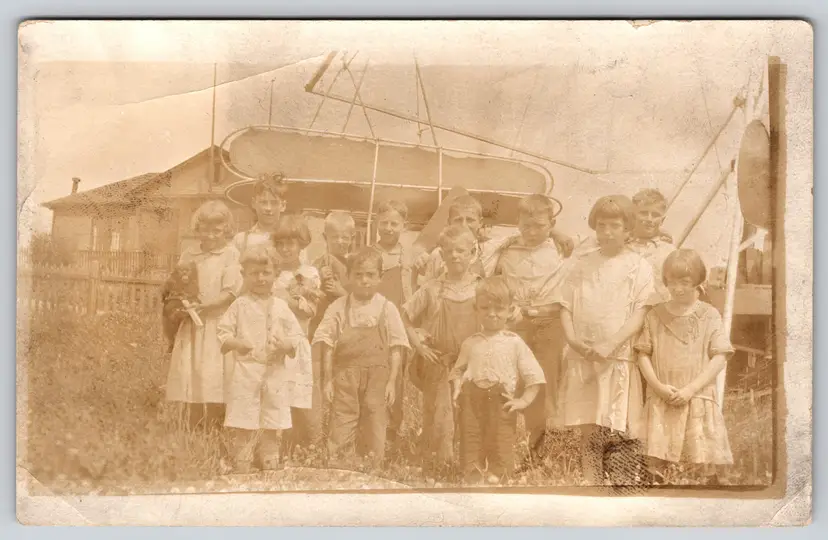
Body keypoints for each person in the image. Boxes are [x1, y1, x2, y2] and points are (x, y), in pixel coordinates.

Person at [555, 195, 657, 486]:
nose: (608, 232)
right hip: (584, 356)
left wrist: (610, 344)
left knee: (618, 425)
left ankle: (623, 483)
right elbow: (565, 306)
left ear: (628, 229)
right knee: (589, 424)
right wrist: (573, 340)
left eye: (615, 225)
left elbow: (640, 313)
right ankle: (593, 482)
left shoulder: (639, 266)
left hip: (616, 357)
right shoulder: (581, 264)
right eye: (602, 225)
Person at [635, 249, 734, 484]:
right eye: (672, 282)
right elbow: (642, 354)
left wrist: (691, 389)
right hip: (663, 396)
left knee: (701, 465)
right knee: (655, 467)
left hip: (697, 395)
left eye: (685, 282)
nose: (677, 288)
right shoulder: (654, 315)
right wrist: (657, 387)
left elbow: (720, 356)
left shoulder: (709, 315)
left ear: (699, 282)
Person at [491, 194, 571, 468]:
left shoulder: (562, 249)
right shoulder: (506, 248)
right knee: (511, 386)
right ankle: (504, 453)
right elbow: (478, 243)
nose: (532, 232)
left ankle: (538, 456)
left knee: (542, 387)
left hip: (548, 327)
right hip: (516, 326)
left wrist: (556, 231)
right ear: (517, 223)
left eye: (540, 226)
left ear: (552, 223)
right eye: (526, 226)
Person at [313, 247, 411, 468]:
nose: (364, 280)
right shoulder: (339, 306)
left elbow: (397, 347)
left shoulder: (387, 308)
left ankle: (372, 466)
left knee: (375, 418)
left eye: (370, 275)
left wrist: (392, 382)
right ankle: (338, 464)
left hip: (378, 376)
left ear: (380, 277)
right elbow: (327, 343)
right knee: (342, 418)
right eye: (358, 275)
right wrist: (328, 379)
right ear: (348, 276)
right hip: (345, 375)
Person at [217, 245, 311, 472]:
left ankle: (270, 462)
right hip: (247, 371)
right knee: (244, 421)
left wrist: (287, 345)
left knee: (272, 421)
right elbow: (223, 333)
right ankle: (243, 464)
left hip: (274, 371)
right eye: (254, 273)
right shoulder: (240, 305)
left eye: (266, 273)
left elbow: (298, 336)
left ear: (276, 274)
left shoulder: (281, 306)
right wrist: (238, 343)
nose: (260, 278)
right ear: (244, 275)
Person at [401, 225, 482, 478]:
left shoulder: (481, 288)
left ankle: (469, 464)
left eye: (461, 250)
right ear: (442, 254)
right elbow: (402, 316)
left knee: (470, 414)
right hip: (438, 363)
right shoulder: (432, 288)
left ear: (472, 253)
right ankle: (437, 465)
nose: (455, 255)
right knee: (439, 416)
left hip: (472, 364)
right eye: (449, 251)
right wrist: (419, 344)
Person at [450, 276, 546, 484]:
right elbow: (457, 370)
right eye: (485, 308)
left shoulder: (514, 343)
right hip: (472, 400)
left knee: (501, 440)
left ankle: (500, 476)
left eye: (499, 309)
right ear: (476, 309)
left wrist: (523, 401)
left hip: (502, 400)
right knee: (471, 437)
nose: (491, 314)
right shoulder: (470, 343)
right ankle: (472, 475)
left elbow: (534, 376)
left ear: (510, 310)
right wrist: (457, 388)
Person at [165, 200, 242, 432]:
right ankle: (192, 430)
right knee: (190, 375)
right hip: (192, 324)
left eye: (216, 230)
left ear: (226, 229)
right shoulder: (190, 254)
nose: (210, 235)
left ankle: (214, 430)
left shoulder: (230, 254)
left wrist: (206, 306)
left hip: (216, 325)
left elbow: (230, 293)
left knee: (214, 378)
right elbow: (178, 285)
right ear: (198, 229)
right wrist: (180, 304)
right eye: (205, 229)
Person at [414, 194, 574, 282]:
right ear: (449, 223)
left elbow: (529, 229)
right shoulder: (438, 255)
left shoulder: (494, 246)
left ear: (479, 223)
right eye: (458, 220)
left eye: (470, 220)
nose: (464, 225)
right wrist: (426, 253)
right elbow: (427, 290)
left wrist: (556, 233)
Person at [271, 213, 323, 451]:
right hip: (272, 340)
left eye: (290, 243)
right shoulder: (270, 273)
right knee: (274, 390)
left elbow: (309, 311)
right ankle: (274, 441)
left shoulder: (308, 274)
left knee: (297, 393)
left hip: (295, 339)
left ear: (301, 243)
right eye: (279, 244)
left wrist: (285, 300)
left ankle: (304, 442)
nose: (284, 249)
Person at [371, 200, 418, 447]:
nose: (388, 228)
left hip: (399, 321)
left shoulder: (409, 256)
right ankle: (372, 428)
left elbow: (412, 292)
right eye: (384, 222)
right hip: (373, 321)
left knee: (395, 375)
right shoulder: (370, 253)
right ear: (377, 224)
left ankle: (392, 431)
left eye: (394, 223)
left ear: (404, 226)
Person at [232, 172, 310, 264]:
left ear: (283, 205)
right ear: (253, 203)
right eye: (263, 202)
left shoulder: (294, 240)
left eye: (274, 203)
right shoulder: (241, 240)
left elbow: (302, 270)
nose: (268, 208)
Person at [628, 189, 676, 303]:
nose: (649, 219)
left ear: (662, 220)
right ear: (632, 215)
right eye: (644, 213)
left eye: (655, 215)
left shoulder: (670, 252)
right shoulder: (620, 246)